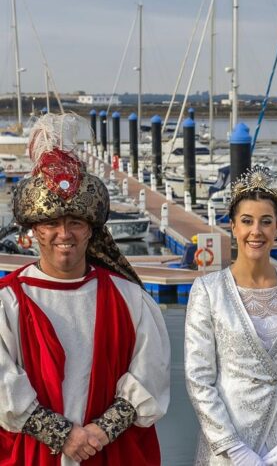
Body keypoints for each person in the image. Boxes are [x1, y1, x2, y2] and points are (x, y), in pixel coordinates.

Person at [0, 113, 170, 465]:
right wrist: (64, 436)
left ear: (91, 229)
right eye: (51, 223)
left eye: (75, 222)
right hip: (35, 457)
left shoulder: (128, 298)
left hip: (112, 453)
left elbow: (150, 372)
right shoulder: (8, 301)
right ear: (34, 231)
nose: (64, 234)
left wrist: (96, 433)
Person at [184, 166, 277, 466]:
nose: (256, 231)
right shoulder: (208, 290)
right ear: (233, 226)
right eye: (247, 221)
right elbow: (199, 379)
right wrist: (235, 450)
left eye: (266, 222)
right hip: (229, 449)